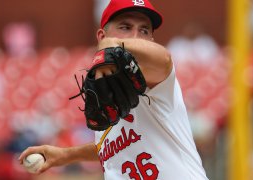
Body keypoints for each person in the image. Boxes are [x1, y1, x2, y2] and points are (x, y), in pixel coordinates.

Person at [18, 0, 209, 179]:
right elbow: (110, 147)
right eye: (125, 27)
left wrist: (115, 44)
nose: (135, 36)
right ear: (102, 36)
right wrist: (65, 155)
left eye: (144, 31)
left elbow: (164, 59)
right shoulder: (106, 93)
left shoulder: (156, 82)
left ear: (151, 40)